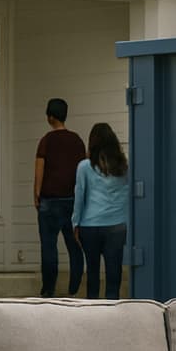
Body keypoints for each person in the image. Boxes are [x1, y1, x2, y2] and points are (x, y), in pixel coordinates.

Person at [33, 98, 86, 298]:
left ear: (50, 116)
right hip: (72, 200)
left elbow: (40, 169)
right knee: (74, 245)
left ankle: (48, 289)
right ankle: (74, 287)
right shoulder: (77, 140)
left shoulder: (46, 140)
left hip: (50, 200)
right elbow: (83, 170)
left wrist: (36, 193)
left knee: (49, 246)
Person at [72, 123, 130, 301]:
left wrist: (75, 223)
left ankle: (93, 310)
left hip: (90, 225)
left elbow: (79, 196)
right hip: (117, 226)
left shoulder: (84, 167)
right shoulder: (123, 167)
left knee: (92, 273)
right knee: (114, 273)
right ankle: (113, 309)